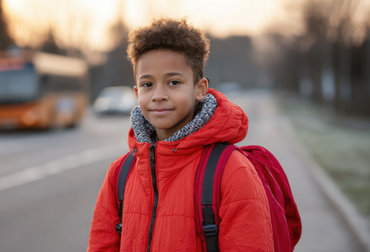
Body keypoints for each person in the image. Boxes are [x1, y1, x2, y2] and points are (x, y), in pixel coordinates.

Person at [87, 18, 274, 252]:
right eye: (147, 85)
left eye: (173, 82)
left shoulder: (231, 170)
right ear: (136, 92)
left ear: (200, 89)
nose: (158, 95)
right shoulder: (121, 174)